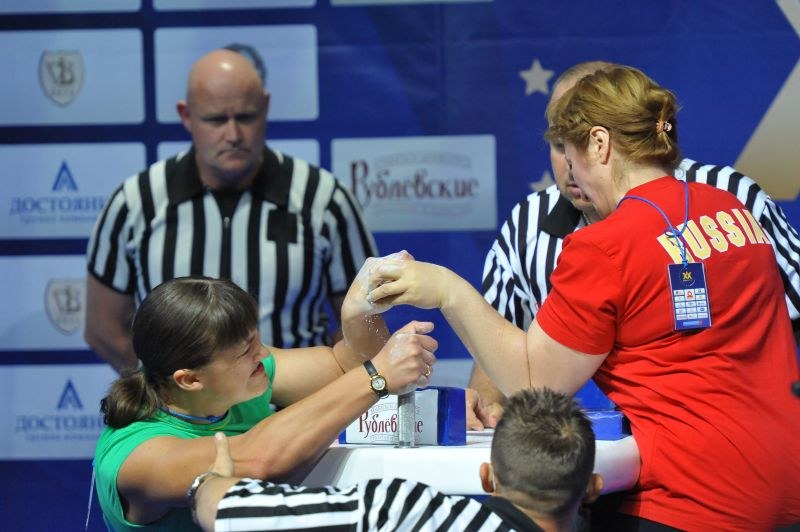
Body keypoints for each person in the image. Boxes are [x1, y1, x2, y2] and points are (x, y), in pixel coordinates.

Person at [365, 66, 800, 529]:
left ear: (599, 144)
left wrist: (447, 289)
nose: (575, 184)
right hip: (788, 490)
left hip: (694, 502)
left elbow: (534, 385)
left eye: (571, 161)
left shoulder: (604, 246)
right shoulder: (732, 210)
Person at [469, 60, 800, 427]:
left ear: (601, 143)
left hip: (717, 435)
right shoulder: (526, 224)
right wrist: (483, 401)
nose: (569, 164)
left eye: (575, 143)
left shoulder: (732, 196)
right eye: (559, 145)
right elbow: (500, 339)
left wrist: (448, 292)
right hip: (604, 446)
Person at [85, 47, 378, 373]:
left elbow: (365, 324)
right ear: (186, 115)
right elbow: (103, 330)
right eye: (215, 120)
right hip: (176, 406)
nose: (233, 135)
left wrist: (328, 393)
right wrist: (160, 390)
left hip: (300, 405)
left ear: (265, 107)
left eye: (246, 117)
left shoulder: (325, 199)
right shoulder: (135, 203)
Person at [93, 273, 437, 531]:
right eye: (246, 351)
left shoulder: (235, 381)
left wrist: (359, 311)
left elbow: (344, 366)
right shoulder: (136, 455)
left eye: (257, 341)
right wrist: (376, 376)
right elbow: (256, 462)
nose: (264, 355)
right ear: (191, 379)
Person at [189, 387, 602, 532]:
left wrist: (210, 482)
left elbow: (229, 512)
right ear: (592, 487)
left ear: (487, 477)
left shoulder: (406, 510)